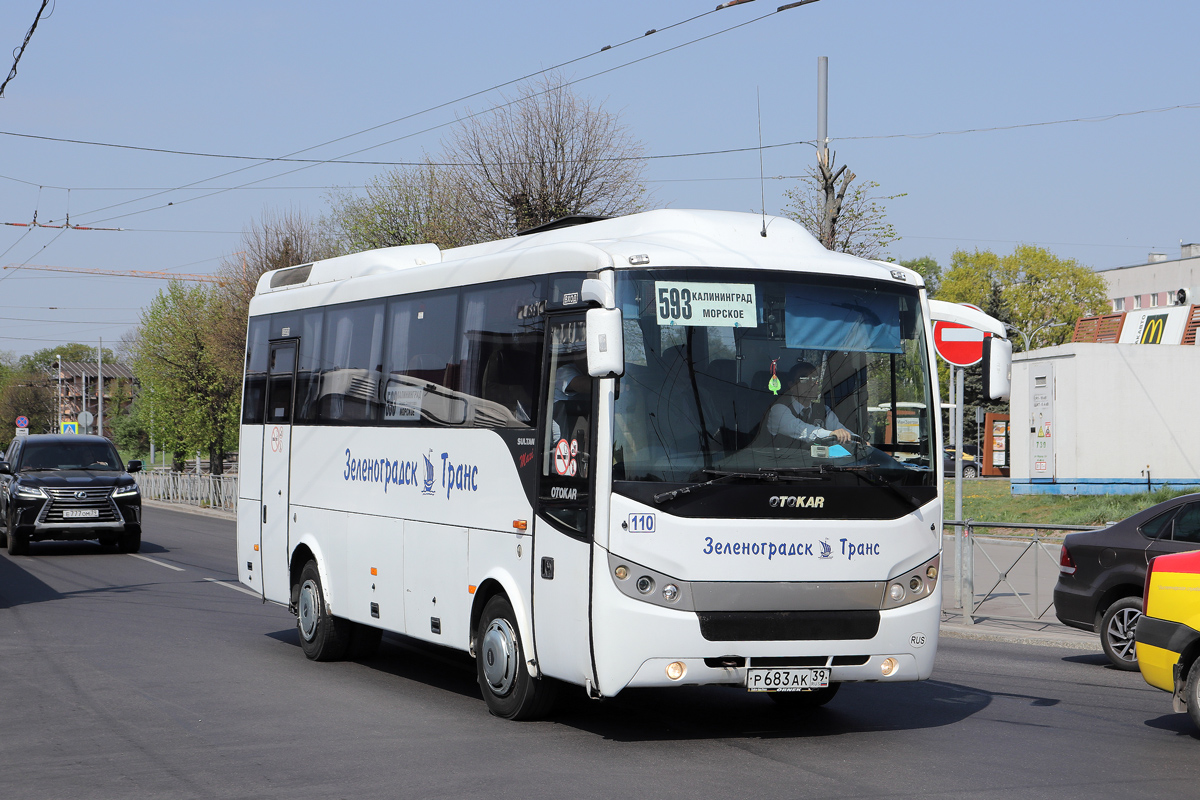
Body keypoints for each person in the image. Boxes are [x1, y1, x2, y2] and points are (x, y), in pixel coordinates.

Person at [765, 360, 854, 446]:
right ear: (791, 385)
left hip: (815, 461)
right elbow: (802, 430)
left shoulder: (824, 410)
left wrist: (858, 441)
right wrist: (831, 434)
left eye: (815, 378)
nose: (812, 383)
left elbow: (843, 432)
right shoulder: (778, 410)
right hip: (777, 460)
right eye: (804, 379)